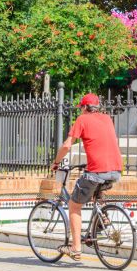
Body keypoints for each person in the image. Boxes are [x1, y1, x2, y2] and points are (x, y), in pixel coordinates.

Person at [49, 93, 123, 262]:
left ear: (84, 107)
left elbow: (67, 145)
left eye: (80, 108)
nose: (80, 111)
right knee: (95, 191)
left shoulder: (82, 120)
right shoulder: (107, 119)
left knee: (74, 205)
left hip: (97, 171)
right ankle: (101, 219)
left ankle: (75, 249)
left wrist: (55, 162)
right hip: (116, 170)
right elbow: (101, 144)